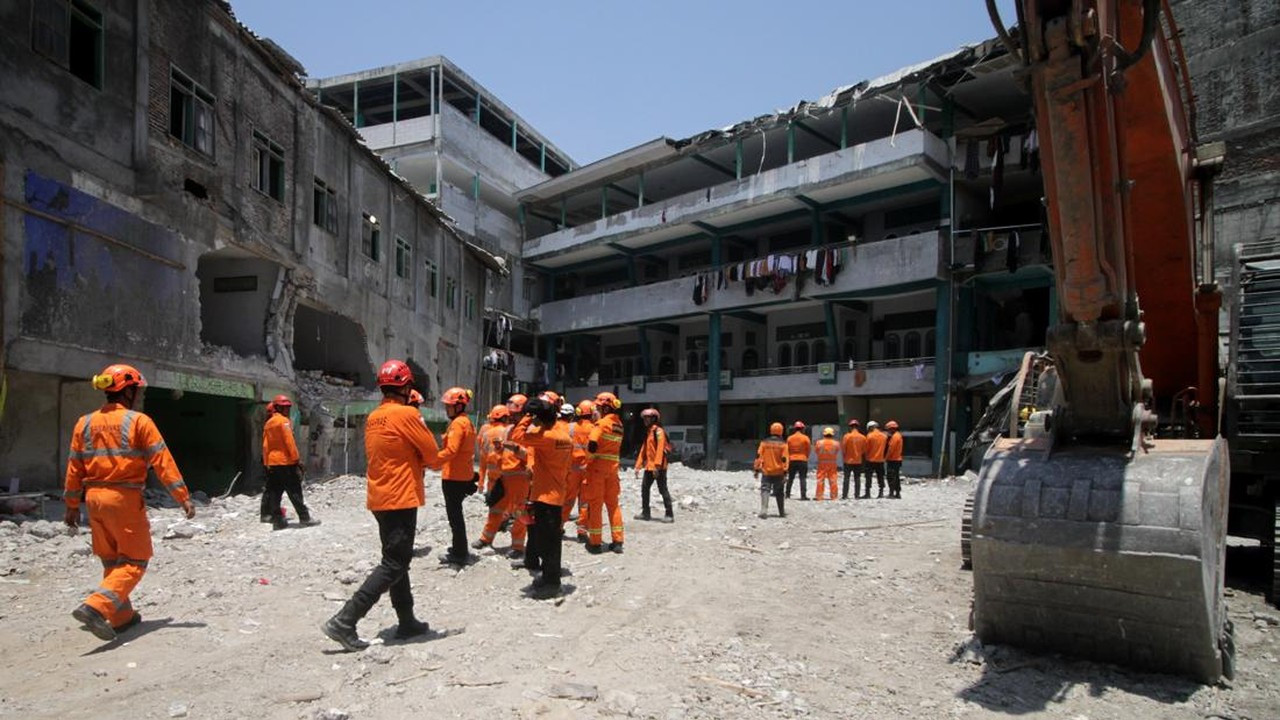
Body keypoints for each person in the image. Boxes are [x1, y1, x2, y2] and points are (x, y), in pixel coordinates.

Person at [63, 363, 195, 642]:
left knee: (113, 560)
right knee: (135, 561)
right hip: (123, 499)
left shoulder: (84, 423)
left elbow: (74, 467)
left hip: (94, 501)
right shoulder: (138, 422)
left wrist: (72, 505)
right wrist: (183, 497)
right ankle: (96, 607)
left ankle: (122, 617)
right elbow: (162, 461)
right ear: (129, 391)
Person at [322, 360, 439, 651]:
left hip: (380, 496)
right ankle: (345, 620)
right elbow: (433, 457)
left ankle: (407, 620)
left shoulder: (375, 416)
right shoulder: (406, 415)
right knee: (394, 562)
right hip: (400, 497)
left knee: (397, 559)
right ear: (407, 386)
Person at [508, 396, 572, 598]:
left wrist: (528, 416)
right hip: (554, 493)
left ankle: (552, 583)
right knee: (550, 540)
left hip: (546, 496)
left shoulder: (547, 438)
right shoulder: (561, 434)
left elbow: (517, 435)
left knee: (549, 543)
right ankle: (547, 577)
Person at [474, 394, 530, 557]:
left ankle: (518, 546)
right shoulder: (508, 430)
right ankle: (486, 538)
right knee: (496, 508)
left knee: (520, 512)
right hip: (504, 476)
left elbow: (530, 456)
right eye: (510, 414)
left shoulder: (528, 432)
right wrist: (500, 449)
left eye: (514, 414)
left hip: (520, 477)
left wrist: (516, 449)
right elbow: (500, 453)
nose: (511, 417)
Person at [433, 386, 479, 566]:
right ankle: (458, 548)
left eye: (449, 406)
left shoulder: (458, 424)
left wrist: (433, 461)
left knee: (455, 517)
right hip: (462, 474)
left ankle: (460, 553)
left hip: (454, 477)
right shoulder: (466, 422)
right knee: (456, 515)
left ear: (459, 406)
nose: (446, 409)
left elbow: (451, 450)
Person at [260, 394, 317, 530]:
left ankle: (277, 520)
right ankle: (305, 518)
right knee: (294, 490)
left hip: (273, 463)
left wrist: (267, 462)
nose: (287, 409)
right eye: (285, 407)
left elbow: (265, 446)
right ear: (278, 407)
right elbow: (289, 442)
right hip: (285, 462)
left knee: (275, 491)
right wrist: (297, 460)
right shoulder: (284, 422)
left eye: (288, 407)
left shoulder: (269, 424)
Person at [584, 391, 625, 554]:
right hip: (613, 470)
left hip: (597, 470)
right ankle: (618, 541)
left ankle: (595, 543)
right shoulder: (619, 425)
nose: (597, 410)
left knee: (595, 505)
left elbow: (592, 444)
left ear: (606, 408)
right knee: (613, 505)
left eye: (599, 407)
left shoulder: (600, 424)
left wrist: (589, 460)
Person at [633, 408, 674, 522]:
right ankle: (645, 513)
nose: (645, 420)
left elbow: (660, 449)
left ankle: (669, 514)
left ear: (654, 419)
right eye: (644, 418)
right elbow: (643, 450)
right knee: (644, 489)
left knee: (662, 490)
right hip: (649, 467)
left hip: (659, 467)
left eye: (648, 418)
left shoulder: (659, 431)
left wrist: (657, 466)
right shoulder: (649, 432)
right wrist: (638, 466)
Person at [563, 399, 595, 540]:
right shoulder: (595, 428)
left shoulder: (570, 427)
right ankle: (582, 531)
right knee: (585, 501)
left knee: (567, 500)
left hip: (572, 469)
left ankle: (559, 526)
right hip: (588, 470)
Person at [754, 422, 789, 518]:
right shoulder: (783, 444)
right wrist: (785, 472)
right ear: (781, 431)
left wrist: (756, 469)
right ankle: (781, 512)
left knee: (765, 490)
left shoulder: (764, 443)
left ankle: (764, 509)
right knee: (780, 492)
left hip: (767, 471)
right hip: (779, 472)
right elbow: (785, 458)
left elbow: (758, 456)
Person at [477, 404, 509, 494]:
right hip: (506, 479)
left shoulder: (486, 434)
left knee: (493, 507)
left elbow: (482, 461)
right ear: (504, 418)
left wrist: (481, 482)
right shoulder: (508, 432)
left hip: (492, 481)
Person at [841, 419, 867, 500]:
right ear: (858, 427)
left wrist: (845, 456)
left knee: (846, 478)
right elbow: (864, 450)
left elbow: (843, 449)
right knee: (857, 478)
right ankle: (857, 495)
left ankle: (845, 495)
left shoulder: (846, 436)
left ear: (850, 427)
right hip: (858, 461)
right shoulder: (863, 437)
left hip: (848, 461)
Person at [784, 421, 811, 500]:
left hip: (792, 460)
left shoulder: (790, 438)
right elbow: (808, 450)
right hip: (802, 460)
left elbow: (786, 450)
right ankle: (803, 495)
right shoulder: (805, 438)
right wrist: (805, 457)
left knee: (790, 478)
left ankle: (787, 494)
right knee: (802, 478)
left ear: (795, 429)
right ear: (802, 429)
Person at [813, 427, 840, 501]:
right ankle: (834, 496)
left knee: (820, 480)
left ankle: (819, 496)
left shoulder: (819, 442)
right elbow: (837, 451)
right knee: (833, 479)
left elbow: (816, 451)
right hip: (832, 463)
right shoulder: (836, 443)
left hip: (822, 463)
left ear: (824, 434)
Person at [864, 420, 888, 498]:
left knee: (868, 477)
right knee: (880, 476)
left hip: (870, 460)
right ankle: (881, 493)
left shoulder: (869, 436)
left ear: (871, 427)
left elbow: (866, 448)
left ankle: (868, 493)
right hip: (880, 460)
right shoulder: (884, 436)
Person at [885, 420, 904, 499]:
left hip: (893, 459)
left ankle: (891, 493)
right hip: (897, 459)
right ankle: (897, 493)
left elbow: (891, 449)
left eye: (888, 429)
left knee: (891, 477)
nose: (888, 431)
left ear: (892, 429)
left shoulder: (895, 437)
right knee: (896, 477)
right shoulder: (898, 436)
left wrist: (886, 458)